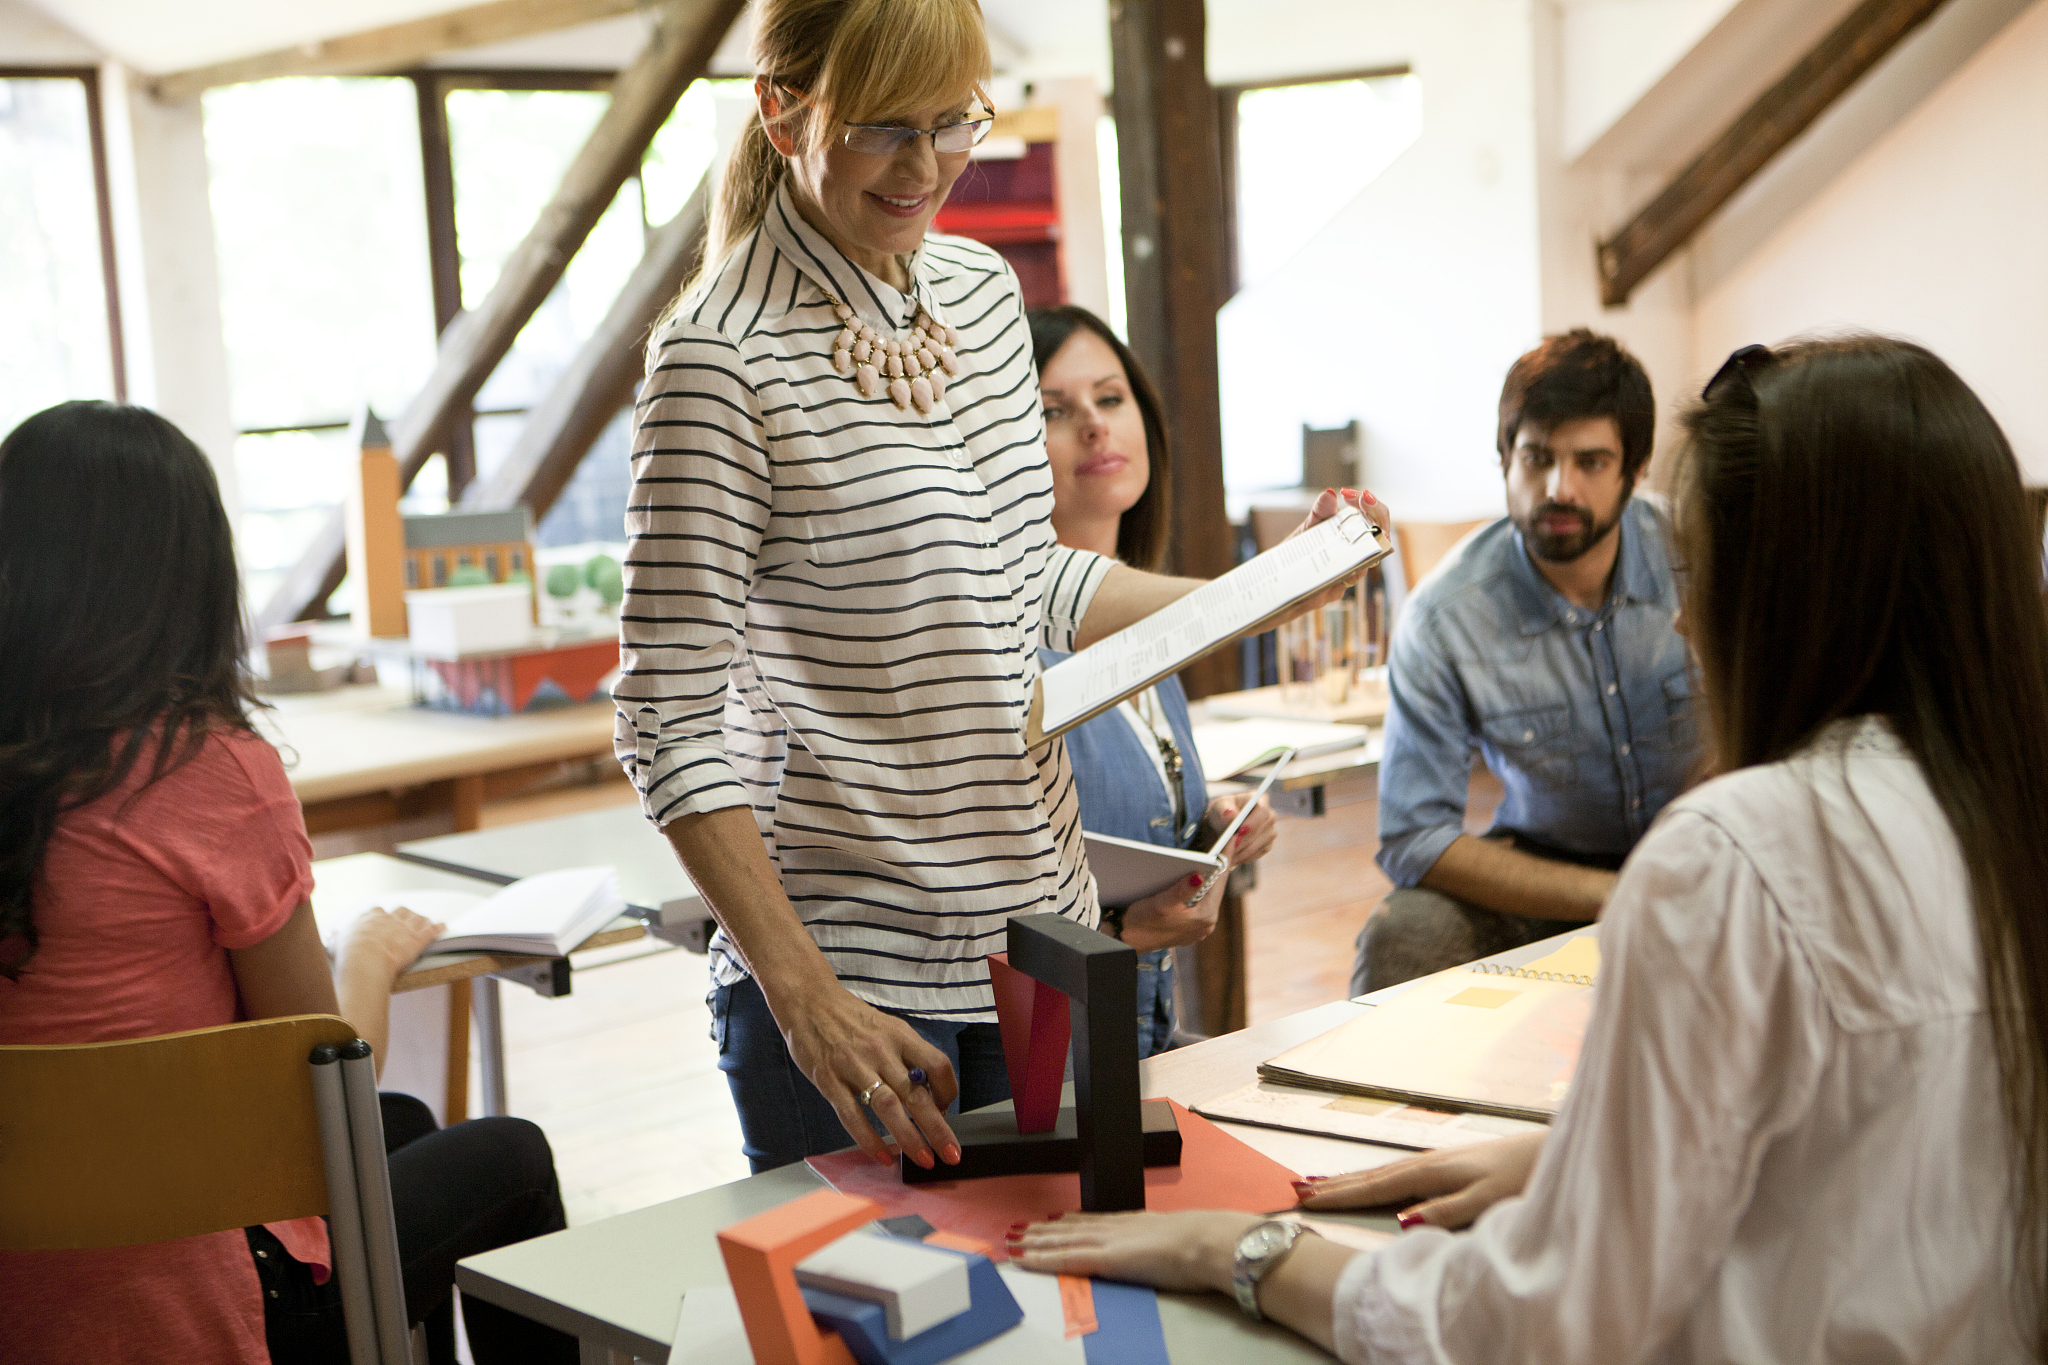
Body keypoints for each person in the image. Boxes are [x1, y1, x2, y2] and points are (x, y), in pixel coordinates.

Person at [1011, 335, 2048, 1361]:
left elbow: (1539, 1319)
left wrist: (1241, 1250)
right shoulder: (1992, 811)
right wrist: (1589, 1159)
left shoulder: (1736, 862)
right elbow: (1870, 1127)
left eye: (1704, 569)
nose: (1685, 620)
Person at [614, 0, 1384, 1175]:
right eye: (882, 130)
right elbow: (662, 718)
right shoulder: (719, 358)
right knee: (898, 1336)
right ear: (779, 113)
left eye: (952, 124)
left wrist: (1266, 591)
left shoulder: (974, 294)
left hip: (1041, 940)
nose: (924, 170)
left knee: (1068, 1315)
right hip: (857, 982)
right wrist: (804, 998)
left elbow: (1025, 576)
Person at [0, 401, 575, 1365]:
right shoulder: (206, 772)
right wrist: (367, 953)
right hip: (191, 1305)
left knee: (410, 1127)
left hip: (24, 1284)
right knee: (508, 1155)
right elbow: (324, 1097)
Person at [1356, 328, 1697, 994]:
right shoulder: (1444, 614)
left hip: (1707, 858)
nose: (1559, 487)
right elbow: (1413, 838)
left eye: (1591, 462)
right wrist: (1617, 892)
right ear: (1504, 457)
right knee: (1405, 931)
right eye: (1537, 457)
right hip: (1550, 880)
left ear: (1636, 466)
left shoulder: (1702, 552)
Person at [1030, 303, 1278, 1056]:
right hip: (1048, 1067)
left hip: (1143, 1038)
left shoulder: (1153, 624)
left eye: (1110, 398)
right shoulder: (1008, 636)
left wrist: (1209, 829)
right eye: (1054, 410)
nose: (1095, 426)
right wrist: (1119, 931)